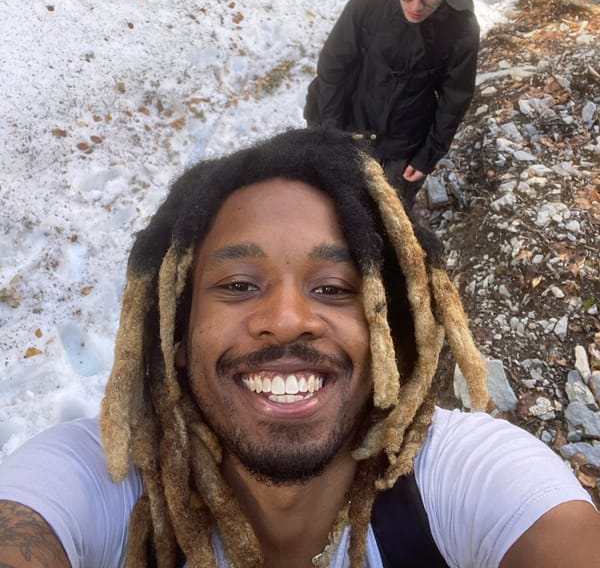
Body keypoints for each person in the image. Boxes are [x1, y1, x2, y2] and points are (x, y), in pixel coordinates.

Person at [0, 127, 598, 568]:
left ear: (387, 332)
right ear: (176, 337)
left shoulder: (468, 483)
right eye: (238, 286)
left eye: (334, 289)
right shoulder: (99, 484)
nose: (287, 321)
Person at [304, 0, 480, 205]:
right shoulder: (368, 0)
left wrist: (428, 155)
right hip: (346, 126)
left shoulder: (461, 29)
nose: (416, 5)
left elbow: (455, 98)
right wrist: (331, 133)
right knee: (331, 209)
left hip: (403, 148)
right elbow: (332, 67)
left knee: (387, 222)